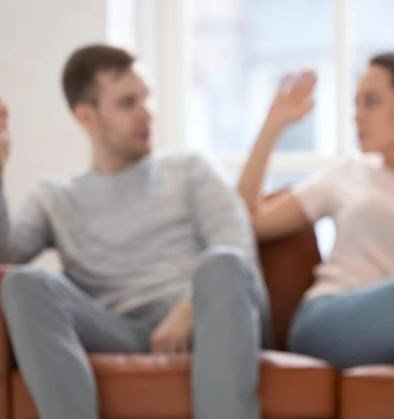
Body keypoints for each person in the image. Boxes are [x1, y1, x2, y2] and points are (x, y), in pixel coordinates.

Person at [0, 44, 268, 419]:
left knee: (225, 262)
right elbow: (4, 258)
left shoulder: (190, 169)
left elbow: (237, 249)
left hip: (210, 321)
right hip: (120, 329)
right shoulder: (55, 197)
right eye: (128, 103)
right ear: (86, 117)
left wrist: (189, 307)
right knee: (22, 283)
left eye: (147, 98)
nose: (147, 113)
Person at [237, 50, 394, 368]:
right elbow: (248, 221)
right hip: (333, 324)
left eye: (371, 102)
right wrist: (272, 126)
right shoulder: (348, 172)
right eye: (355, 103)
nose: (357, 115)